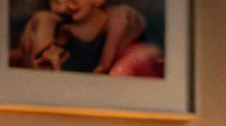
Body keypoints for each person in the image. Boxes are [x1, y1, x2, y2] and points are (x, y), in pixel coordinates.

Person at [10, 0, 164, 76]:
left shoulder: (124, 24)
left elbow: (150, 53)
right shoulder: (57, 30)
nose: (64, 6)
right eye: (57, 1)